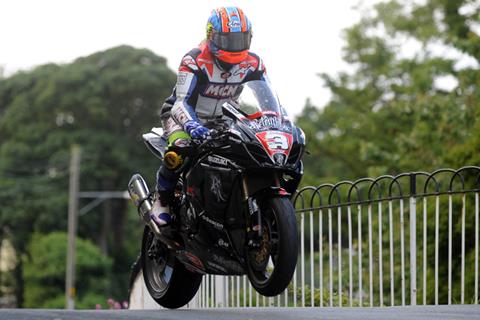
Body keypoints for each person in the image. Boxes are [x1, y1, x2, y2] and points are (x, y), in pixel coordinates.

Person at [151, 6, 269, 226]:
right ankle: (162, 200)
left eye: (240, 40)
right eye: (228, 40)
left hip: (224, 120)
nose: (234, 46)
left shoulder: (254, 63)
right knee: (180, 148)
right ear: (211, 36)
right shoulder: (194, 60)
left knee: (250, 152)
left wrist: (272, 120)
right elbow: (180, 103)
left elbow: (266, 98)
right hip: (181, 116)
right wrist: (194, 127)